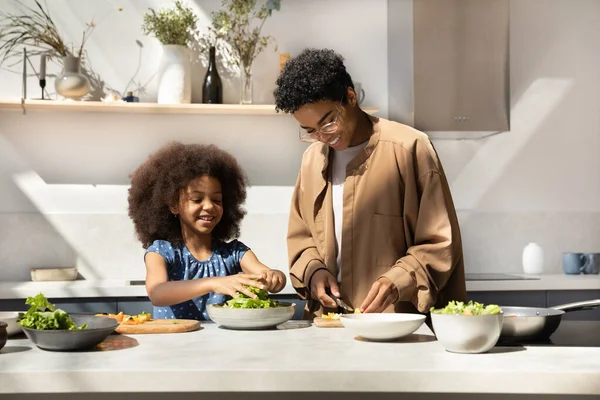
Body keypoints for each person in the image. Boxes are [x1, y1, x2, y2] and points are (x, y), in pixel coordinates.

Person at [274, 48, 466, 319]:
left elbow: (440, 243)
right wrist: (313, 270)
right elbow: (301, 237)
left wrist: (400, 279)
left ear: (350, 97)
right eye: (310, 132)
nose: (323, 137)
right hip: (328, 326)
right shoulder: (312, 161)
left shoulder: (410, 148)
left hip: (396, 327)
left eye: (328, 123)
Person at [127, 141, 286, 320]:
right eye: (197, 200)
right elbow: (157, 293)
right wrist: (213, 283)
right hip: (173, 344)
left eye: (217, 200)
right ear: (173, 206)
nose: (209, 206)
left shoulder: (234, 252)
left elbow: (265, 274)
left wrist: (275, 277)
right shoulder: (162, 252)